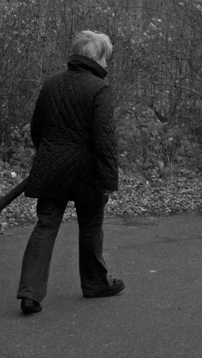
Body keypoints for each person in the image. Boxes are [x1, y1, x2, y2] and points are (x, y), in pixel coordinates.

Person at [17, 30, 124, 315]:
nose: (107, 63)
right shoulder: (99, 89)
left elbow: (37, 129)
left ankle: (29, 293)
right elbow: (104, 139)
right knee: (90, 226)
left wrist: (51, 153)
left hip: (51, 166)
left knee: (45, 225)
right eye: (106, 57)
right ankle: (95, 284)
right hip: (87, 171)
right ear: (96, 57)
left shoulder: (51, 83)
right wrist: (109, 179)